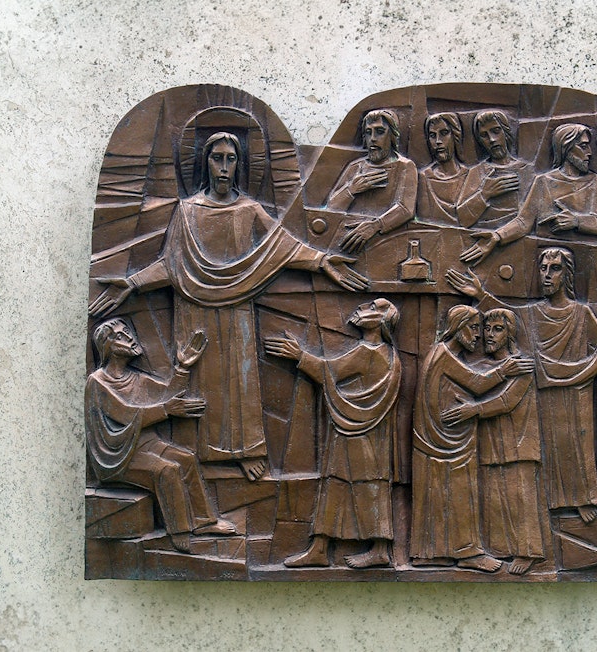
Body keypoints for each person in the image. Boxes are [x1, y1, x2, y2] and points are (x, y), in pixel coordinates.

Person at [89, 132, 368, 482]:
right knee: (197, 378)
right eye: (216, 158)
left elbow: (283, 247)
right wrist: (131, 283)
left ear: (240, 164)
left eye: (231, 158)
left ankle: (244, 451)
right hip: (193, 309)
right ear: (205, 163)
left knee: (239, 379)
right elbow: (172, 265)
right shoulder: (187, 212)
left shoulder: (248, 211)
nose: (223, 166)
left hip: (236, 308)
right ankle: (193, 453)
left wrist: (323, 260)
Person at [446, 248, 597, 523]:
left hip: (576, 392)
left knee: (577, 443)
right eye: (544, 268)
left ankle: (583, 498)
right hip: (545, 393)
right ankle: (551, 499)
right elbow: (509, 317)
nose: (547, 275)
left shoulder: (581, 314)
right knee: (549, 444)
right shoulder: (534, 314)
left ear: (567, 274)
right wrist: (480, 296)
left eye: (555, 268)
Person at [264, 299, 402, 568]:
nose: (362, 307)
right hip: (366, 433)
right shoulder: (389, 355)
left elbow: (330, 371)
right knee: (351, 487)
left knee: (358, 487)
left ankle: (377, 549)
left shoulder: (369, 352)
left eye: (373, 306)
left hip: (357, 432)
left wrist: (299, 355)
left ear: (382, 321)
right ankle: (323, 547)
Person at [85, 319, 236, 553]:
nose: (130, 337)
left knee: (185, 460)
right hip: (118, 456)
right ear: (108, 345)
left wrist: (183, 367)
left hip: (145, 445)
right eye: (121, 335)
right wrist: (167, 410)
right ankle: (179, 531)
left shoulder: (137, 378)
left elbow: (167, 394)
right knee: (167, 470)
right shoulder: (98, 382)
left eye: (128, 331)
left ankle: (204, 522)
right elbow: (127, 414)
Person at [410, 305, 535, 572]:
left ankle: (433, 553)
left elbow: (504, 400)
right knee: (455, 492)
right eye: (476, 327)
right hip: (445, 439)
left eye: (488, 329)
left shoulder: (444, 354)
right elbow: (477, 384)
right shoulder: (443, 354)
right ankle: (466, 554)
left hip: (448, 437)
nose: (480, 335)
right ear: (458, 327)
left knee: (445, 494)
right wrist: (504, 371)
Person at [461, 123, 597, 266]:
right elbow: (524, 222)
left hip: (588, 259)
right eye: (583, 146)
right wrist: (497, 236)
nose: (589, 152)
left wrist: (576, 221)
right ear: (566, 147)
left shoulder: (596, 181)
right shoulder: (544, 181)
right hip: (547, 259)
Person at [326, 109, 418, 253]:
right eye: (368, 133)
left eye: (380, 131)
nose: (373, 139)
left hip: (386, 244)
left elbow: (405, 209)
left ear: (392, 135)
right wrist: (351, 190)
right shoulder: (355, 167)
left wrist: (375, 226)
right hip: (348, 242)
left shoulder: (404, 166)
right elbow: (331, 208)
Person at [457, 111, 535, 265]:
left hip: (516, 248)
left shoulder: (526, 171)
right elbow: (463, 219)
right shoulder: (477, 172)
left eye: (496, 131)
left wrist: (498, 236)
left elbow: (528, 219)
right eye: (484, 135)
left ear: (506, 132)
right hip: (477, 248)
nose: (492, 139)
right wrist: (484, 194)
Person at [416, 112, 470, 226]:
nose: (438, 141)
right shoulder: (424, 178)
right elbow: (424, 224)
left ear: (455, 136)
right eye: (432, 135)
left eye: (444, 133)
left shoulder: (470, 175)